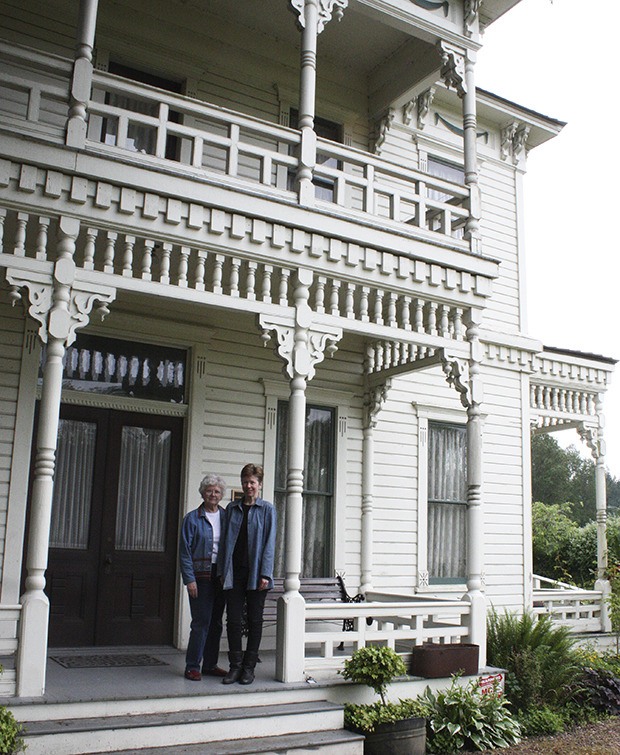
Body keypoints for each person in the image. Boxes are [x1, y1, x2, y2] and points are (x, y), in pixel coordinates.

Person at [218, 463, 277, 685]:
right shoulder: (232, 509)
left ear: (259, 484)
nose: (248, 485)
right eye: (245, 482)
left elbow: (270, 544)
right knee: (232, 620)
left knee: (255, 621)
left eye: (252, 482)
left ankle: (249, 668)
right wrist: (223, 571)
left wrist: (266, 573)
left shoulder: (268, 510)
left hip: (257, 575)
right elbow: (224, 543)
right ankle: (234, 666)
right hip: (234, 574)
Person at [179, 473, 228, 681]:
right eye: (209, 491)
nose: (213, 494)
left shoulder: (226, 517)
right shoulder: (192, 518)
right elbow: (184, 552)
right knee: (201, 622)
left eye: (217, 491)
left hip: (221, 576)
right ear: (203, 493)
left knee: (216, 622)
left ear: (221, 494)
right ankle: (192, 666)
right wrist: (189, 579)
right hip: (200, 577)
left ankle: (210, 664)